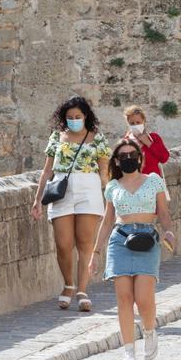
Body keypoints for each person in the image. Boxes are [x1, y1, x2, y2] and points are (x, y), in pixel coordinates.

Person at [89, 138, 177, 360]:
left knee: (144, 299)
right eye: (123, 156)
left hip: (148, 238)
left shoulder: (153, 181)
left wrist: (169, 231)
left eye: (132, 155)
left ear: (140, 158)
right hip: (120, 241)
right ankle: (128, 351)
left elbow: (164, 213)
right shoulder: (112, 186)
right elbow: (107, 222)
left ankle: (149, 331)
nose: (128, 159)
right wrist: (95, 253)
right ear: (117, 161)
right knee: (124, 298)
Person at [30, 96, 111, 313]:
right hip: (61, 191)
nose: (74, 120)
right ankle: (68, 284)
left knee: (85, 243)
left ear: (86, 116)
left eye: (78, 116)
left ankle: (82, 291)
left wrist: (111, 196)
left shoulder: (97, 139)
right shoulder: (57, 137)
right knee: (63, 244)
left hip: (89, 189)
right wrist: (37, 199)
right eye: (70, 117)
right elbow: (47, 170)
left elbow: (104, 171)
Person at [123, 105, 170, 187]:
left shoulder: (154, 138)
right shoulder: (125, 142)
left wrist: (149, 143)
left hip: (153, 186)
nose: (135, 125)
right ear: (128, 123)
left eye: (138, 122)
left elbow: (164, 158)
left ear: (143, 122)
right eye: (132, 123)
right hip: (133, 187)